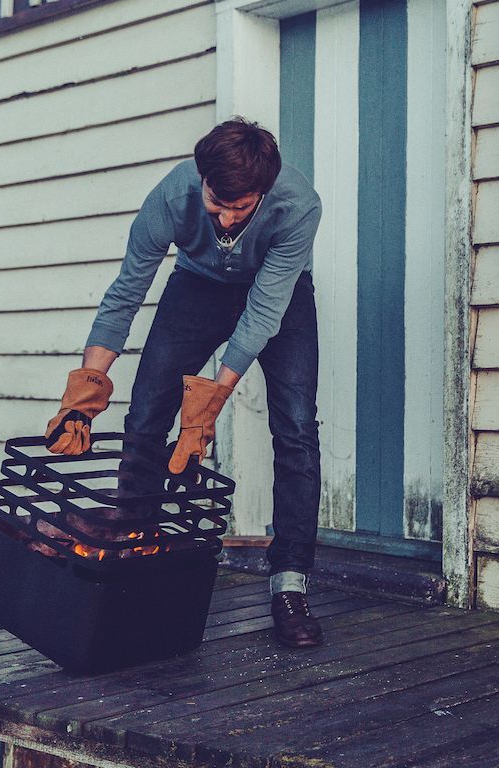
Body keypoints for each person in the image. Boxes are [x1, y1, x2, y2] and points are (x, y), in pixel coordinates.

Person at [43, 118, 325, 648]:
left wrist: (206, 409)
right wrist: (86, 389)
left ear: (262, 193)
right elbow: (126, 291)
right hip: (196, 285)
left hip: (279, 299)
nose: (222, 217)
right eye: (215, 201)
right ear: (202, 179)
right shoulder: (173, 195)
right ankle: (134, 556)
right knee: (147, 413)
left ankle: (289, 584)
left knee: (296, 429)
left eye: (238, 209)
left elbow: (262, 315)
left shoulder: (299, 206)